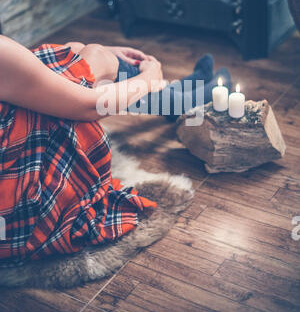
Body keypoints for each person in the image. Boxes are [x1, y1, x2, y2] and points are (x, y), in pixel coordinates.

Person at [0, 36, 231, 266]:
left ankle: (175, 98)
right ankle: (176, 100)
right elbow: (89, 106)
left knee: (73, 52)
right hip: (17, 215)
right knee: (93, 61)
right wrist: (149, 78)